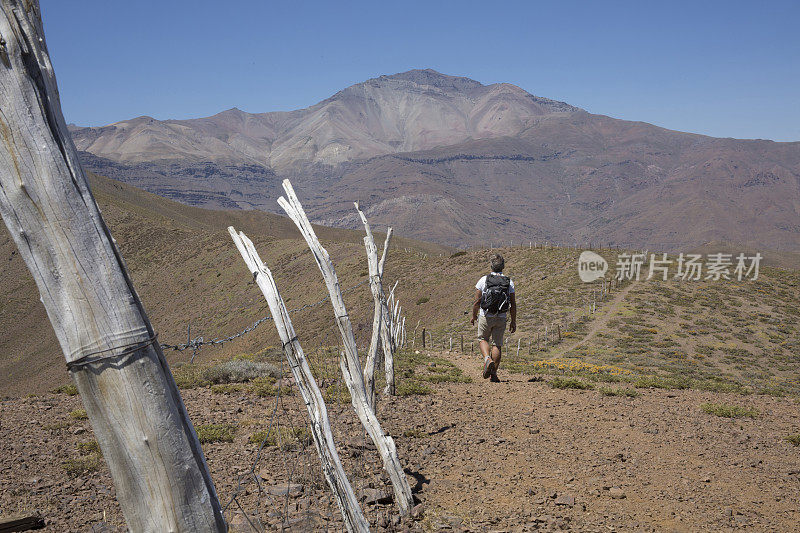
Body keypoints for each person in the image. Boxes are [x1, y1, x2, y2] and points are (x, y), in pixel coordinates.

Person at [471, 254, 516, 382]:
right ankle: (494, 375)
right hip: (501, 316)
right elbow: (513, 303)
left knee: (483, 338)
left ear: (491, 266)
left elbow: (477, 302)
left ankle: (487, 359)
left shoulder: (483, 280)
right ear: (503, 267)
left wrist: (474, 316)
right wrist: (513, 321)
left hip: (486, 315)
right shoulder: (509, 282)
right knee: (497, 344)